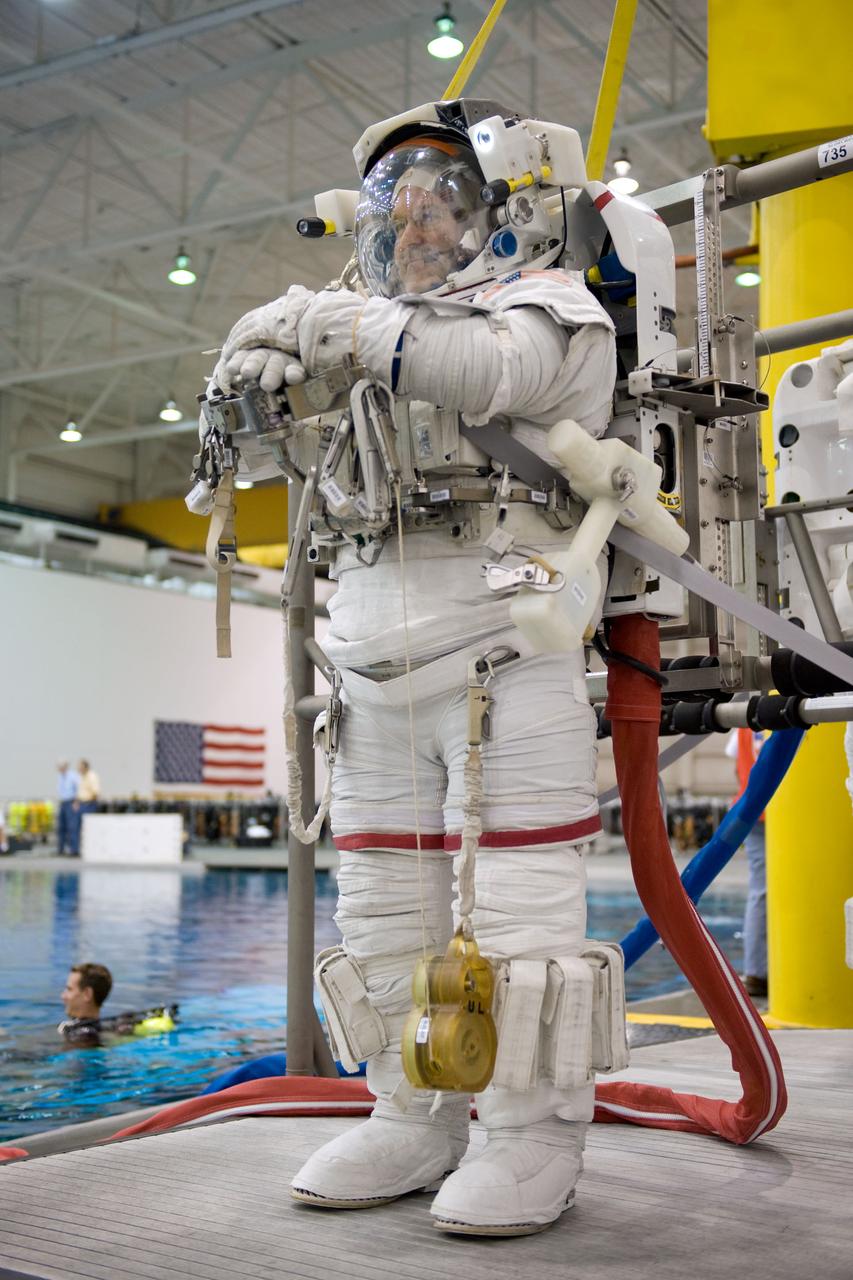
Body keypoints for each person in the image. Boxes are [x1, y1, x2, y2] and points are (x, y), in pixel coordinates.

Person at [204, 101, 621, 1237]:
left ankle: (532, 1136)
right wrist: (262, 355)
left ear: (508, 205)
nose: (417, 219)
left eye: (444, 197)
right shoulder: (359, 322)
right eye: (398, 202)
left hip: (506, 654)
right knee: (384, 912)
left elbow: (482, 372)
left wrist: (324, 324)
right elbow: (262, 414)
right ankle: (408, 1110)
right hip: (371, 668)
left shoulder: (552, 311)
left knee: (518, 914)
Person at [725, 728, 767, 999]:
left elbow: (736, 764)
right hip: (770, 814)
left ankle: (757, 970)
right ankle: (757, 972)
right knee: (763, 892)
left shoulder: (745, 723)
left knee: (759, 891)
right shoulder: (796, 712)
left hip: (749, 810)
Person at [59, 963, 114, 1047]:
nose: (63, 996)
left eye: (69, 989)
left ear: (87, 994)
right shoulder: (102, 1030)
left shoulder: (84, 1036)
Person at [71, 758, 100, 856]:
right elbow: (80, 792)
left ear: (85, 767)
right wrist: (76, 802)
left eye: (80, 767)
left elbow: (95, 792)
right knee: (75, 827)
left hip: (88, 805)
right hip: (81, 804)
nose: (78, 769)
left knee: (88, 829)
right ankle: (75, 850)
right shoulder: (82, 777)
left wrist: (88, 803)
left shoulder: (92, 776)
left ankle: (90, 850)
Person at [56, 760, 80, 856]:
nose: (59, 769)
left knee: (72, 827)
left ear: (65, 766)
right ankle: (61, 849)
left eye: (61, 766)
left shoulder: (73, 776)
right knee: (61, 827)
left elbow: (79, 788)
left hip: (71, 802)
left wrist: (76, 801)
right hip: (63, 803)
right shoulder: (60, 776)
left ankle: (74, 850)